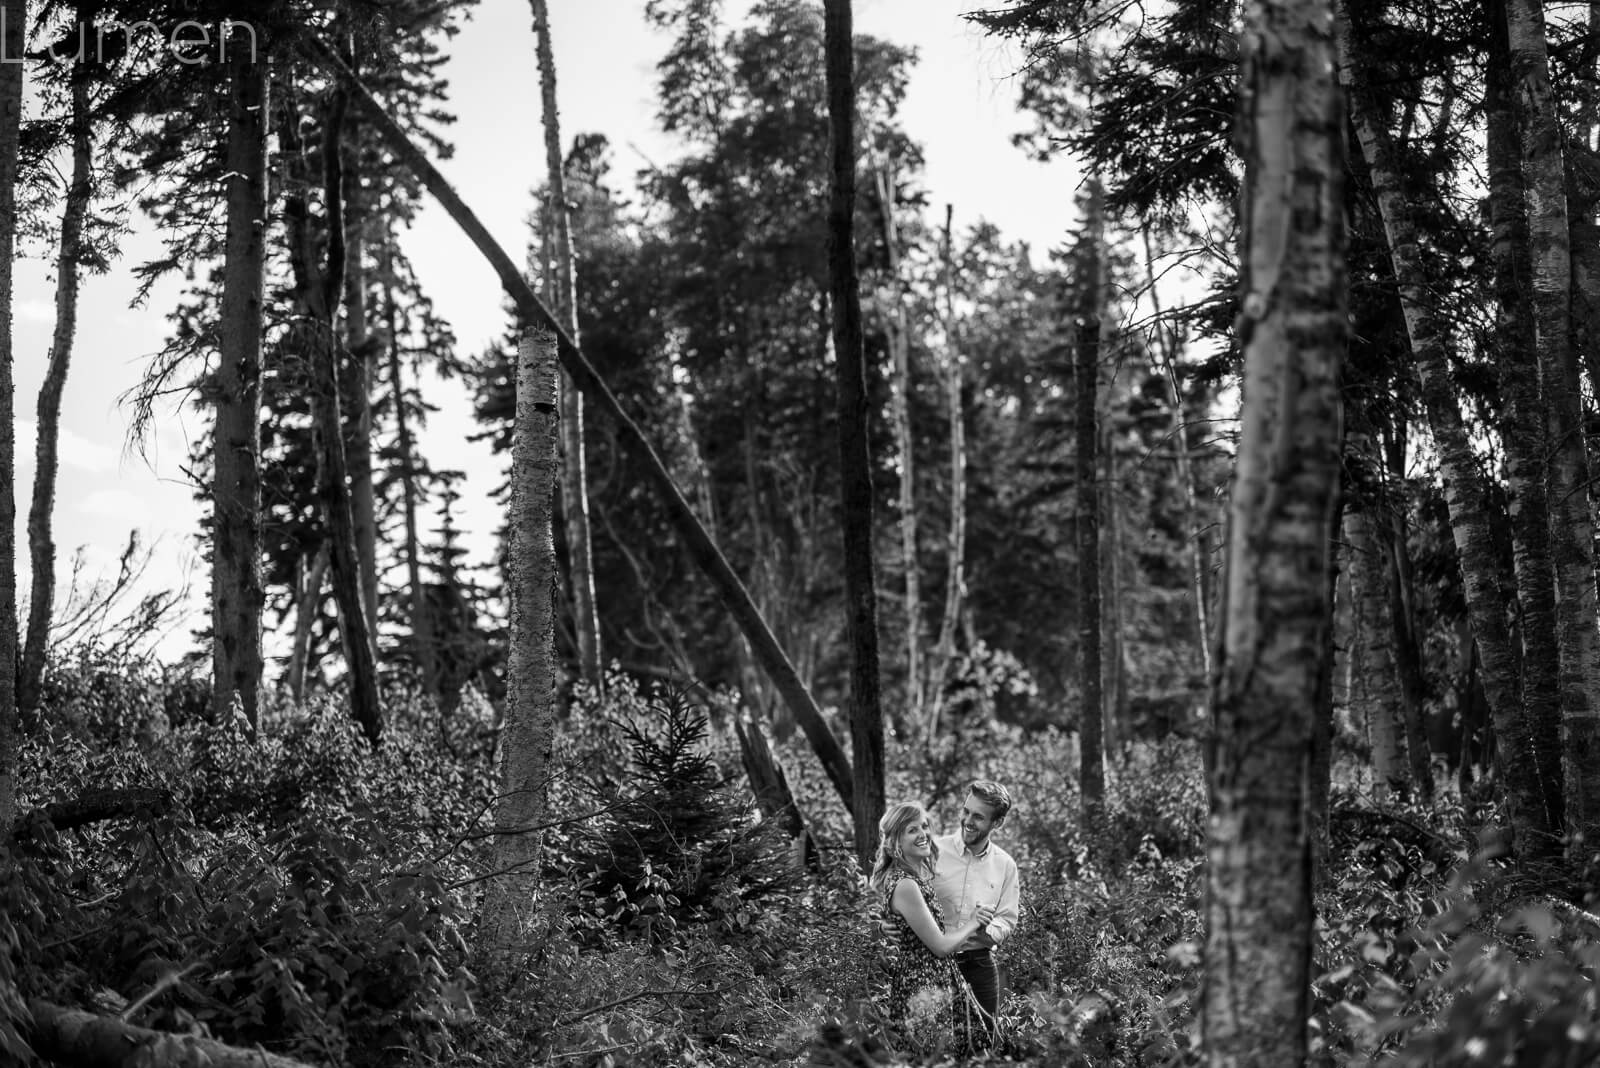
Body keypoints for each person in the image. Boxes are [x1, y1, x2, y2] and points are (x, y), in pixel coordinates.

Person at [871, 800, 995, 1056]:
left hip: (937, 978)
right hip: (923, 984)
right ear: (895, 840)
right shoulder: (906, 884)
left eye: (925, 826)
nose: (923, 834)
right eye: (912, 830)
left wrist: (883, 926)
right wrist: (974, 921)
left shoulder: (915, 878)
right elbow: (939, 946)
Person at [931, 779, 1020, 1046]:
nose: (968, 821)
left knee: (983, 1046)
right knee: (933, 1045)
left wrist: (988, 933)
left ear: (997, 823)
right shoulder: (933, 852)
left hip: (979, 965)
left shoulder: (1005, 865)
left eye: (978, 817)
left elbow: (1007, 918)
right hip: (932, 963)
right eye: (966, 811)